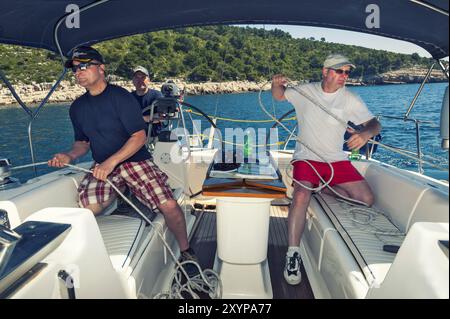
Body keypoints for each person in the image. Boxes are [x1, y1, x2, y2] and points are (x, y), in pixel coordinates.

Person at [48, 46, 198, 270]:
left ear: (101, 68)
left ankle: (186, 251)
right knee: (87, 209)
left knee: (168, 205)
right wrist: (69, 155)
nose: (79, 72)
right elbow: (82, 143)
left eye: (84, 66)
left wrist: (111, 162)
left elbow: (138, 137)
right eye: (75, 69)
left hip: (134, 161)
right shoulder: (77, 108)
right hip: (103, 165)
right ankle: (78, 258)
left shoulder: (121, 97)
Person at [271, 53, 381, 285]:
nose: (344, 76)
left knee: (367, 199)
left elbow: (374, 123)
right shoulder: (305, 91)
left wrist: (365, 133)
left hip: (335, 160)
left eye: (347, 72)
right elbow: (279, 97)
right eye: (339, 71)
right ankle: (293, 253)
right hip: (307, 157)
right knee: (301, 195)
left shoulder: (350, 98)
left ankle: (320, 188)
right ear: (325, 72)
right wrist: (276, 85)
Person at [131, 66, 163, 137]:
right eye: (137, 77)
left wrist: (142, 119)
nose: (140, 81)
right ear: (133, 81)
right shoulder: (128, 98)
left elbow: (161, 117)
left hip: (153, 136)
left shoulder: (157, 95)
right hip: (132, 138)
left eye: (143, 77)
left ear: (148, 80)